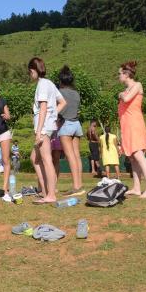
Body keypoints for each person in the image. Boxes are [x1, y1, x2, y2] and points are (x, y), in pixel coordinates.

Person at [28, 57, 67, 204]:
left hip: (43, 128)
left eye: (30, 72)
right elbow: (63, 102)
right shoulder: (49, 83)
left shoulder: (42, 85)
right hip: (47, 126)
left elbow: (43, 108)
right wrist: (53, 116)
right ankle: (45, 191)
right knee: (35, 158)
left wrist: (39, 131)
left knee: (46, 160)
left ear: (33, 70)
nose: (30, 75)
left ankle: (51, 194)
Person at [118, 61, 146, 198]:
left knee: (139, 155)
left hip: (135, 125)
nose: (118, 76)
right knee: (132, 158)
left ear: (126, 74)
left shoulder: (137, 85)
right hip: (127, 126)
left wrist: (120, 94)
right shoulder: (127, 89)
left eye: (120, 73)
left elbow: (126, 99)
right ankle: (137, 188)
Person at [57, 65, 84, 196]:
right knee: (77, 155)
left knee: (70, 156)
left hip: (66, 125)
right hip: (77, 124)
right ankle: (80, 184)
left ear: (61, 81)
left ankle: (75, 187)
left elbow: (59, 110)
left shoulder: (59, 92)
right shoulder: (76, 93)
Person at [51, 117, 64, 181]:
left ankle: (55, 181)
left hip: (57, 136)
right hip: (49, 134)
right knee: (49, 160)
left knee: (56, 160)